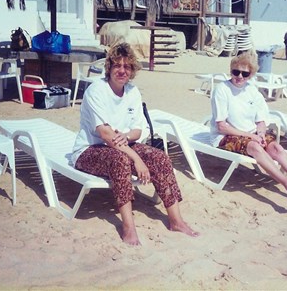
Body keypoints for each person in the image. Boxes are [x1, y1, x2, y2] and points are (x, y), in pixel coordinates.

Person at [71, 42, 199, 245]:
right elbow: (104, 134)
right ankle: (129, 227)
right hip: (89, 150)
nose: (122, 70)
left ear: (132, 71)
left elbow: (137, 130)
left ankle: (176, 220)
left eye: (127, 66)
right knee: (120, 159)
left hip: (124, 145)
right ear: (109, 68)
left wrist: (127, 136)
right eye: (117, 66)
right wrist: (137, 159)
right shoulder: (96, 90)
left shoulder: (132, 92)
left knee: (159, 157)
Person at [210, 52, 287, 199]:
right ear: (231, 70)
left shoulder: (252, 91)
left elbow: (261, 120)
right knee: (255, 147)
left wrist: (260, 133)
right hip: (225, 136)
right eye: (236, 72)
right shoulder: (222, 89)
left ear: (251, 74)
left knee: (277, 148)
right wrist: (252, 136)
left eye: (245, 73)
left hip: (251, 134)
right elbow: (222, 126)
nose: (240, 76)